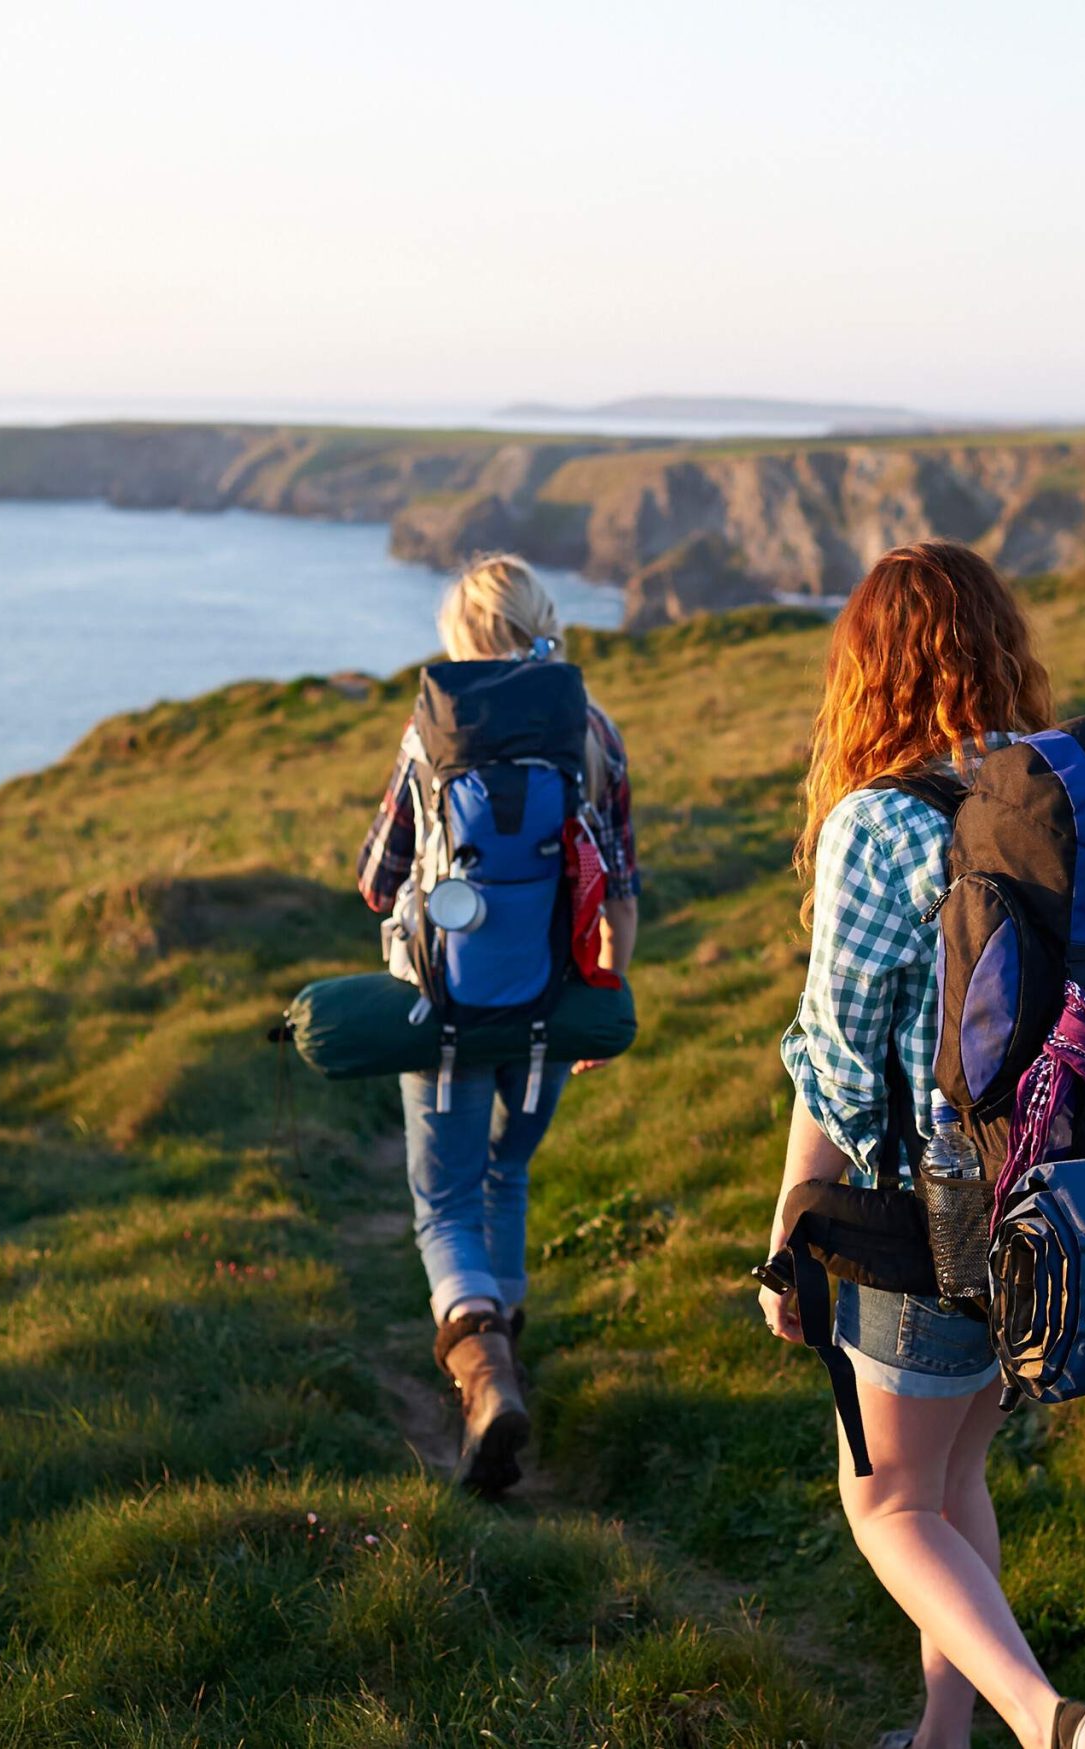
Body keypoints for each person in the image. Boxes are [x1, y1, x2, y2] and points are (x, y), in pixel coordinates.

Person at [761, 542, 1085, 1749]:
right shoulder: (1058, 799)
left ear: (869, 669)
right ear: (999, 645)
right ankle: (940, 1737)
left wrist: (792, 1230)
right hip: (1065, 1202)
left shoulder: (880, 822)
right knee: (952, 1476)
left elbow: (836, 1051)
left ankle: (1045, 1722)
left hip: (927, 1221)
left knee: (883, 1505)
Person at [357, 554, 639, 1495]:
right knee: (506, 1168)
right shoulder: (591, 728)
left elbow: (376, 879)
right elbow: (622, 890)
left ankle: (482, 1374)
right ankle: (503, 1356)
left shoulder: (432, 730)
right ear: (542, 621)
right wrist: (601, 994)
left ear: (459, 638)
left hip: (442, 1008)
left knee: (442, 1200)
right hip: (550, 1008)